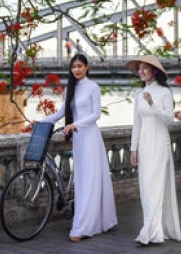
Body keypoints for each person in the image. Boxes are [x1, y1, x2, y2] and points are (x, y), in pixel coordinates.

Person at [30, 54, 117, 242]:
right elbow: (62, 113)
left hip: (90, 137)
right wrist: (41, 122)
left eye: (79, 66)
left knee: (90, 181)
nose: (76, 69)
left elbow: (95, 115)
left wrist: (76, 125)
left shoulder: (93, 87)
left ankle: (84, 226)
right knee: (83, 181)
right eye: (73, 67)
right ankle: (90, 220)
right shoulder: (72, 89)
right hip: (79, 139)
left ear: (87, 67)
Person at [126, 55, 181, 245]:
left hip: (159, 143)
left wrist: (152, 104)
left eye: (144, 68)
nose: (141, 71)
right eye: (139, 69)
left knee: (154, 186)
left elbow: (169, 119)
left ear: (154, 71)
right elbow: (137, 123)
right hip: (144, 144)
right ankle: (151, 228)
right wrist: (133, 148)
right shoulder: (137, 94)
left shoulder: (164, 92)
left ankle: (151, 232)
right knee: (145, 188)